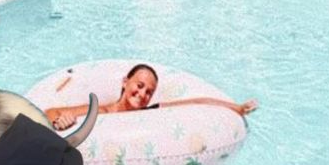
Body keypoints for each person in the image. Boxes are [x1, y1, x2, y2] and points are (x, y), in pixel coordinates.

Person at [46, 63, 257, 130]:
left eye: (149, 91)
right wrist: (60, 119)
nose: (142, 94)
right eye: (139, 86)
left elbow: (196, 102)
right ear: (124, 82)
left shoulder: (151, 112)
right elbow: (49, 113)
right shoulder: (103, 111)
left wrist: (236, 107)